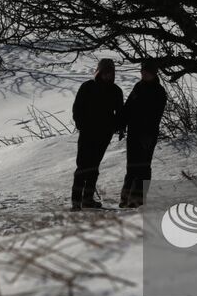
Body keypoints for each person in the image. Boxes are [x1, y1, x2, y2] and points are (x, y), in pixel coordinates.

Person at [71, 58, 124, 210]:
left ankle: (87, 199)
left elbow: (120, 113)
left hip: (103, 135)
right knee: (82, 166)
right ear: (99, 72)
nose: (108, 75)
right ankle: (76, 201)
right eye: (105, 72)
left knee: (94, 167)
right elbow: (77, 108)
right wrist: (81, 124)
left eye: (110, 73)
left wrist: (118, 127)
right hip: (87, 133)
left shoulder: (116, 91)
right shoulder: (88, 87)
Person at [119, 60, 167, 208]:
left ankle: (137, 200)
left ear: (154, 73)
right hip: (133, 132)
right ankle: (125, 198)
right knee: (131, 166)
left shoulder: (159, 91)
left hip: (148, 134)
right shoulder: (138, 87)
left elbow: (155, 116)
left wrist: (148, 134)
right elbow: (128, 107)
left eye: (147, 72)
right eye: (142, 71)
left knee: (143, 167)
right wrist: (121, 125)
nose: (144, 74)